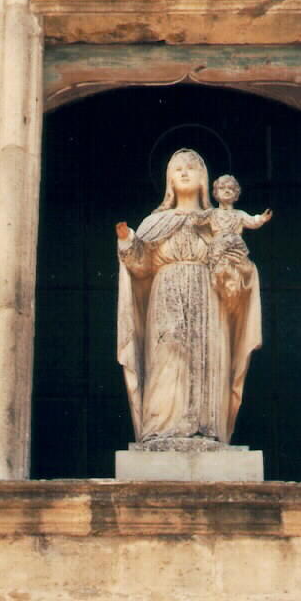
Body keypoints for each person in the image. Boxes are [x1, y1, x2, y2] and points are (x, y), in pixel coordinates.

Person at [116, 148, 261, 445]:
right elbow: (140, 269)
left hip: (208, 297)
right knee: (169, 349)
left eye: (191, 168)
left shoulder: (217, 220)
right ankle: (163, 430)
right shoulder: (154, 223)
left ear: (204, 179)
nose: (184, 172)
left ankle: (207, 429)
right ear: (168, 179)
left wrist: (239, 268)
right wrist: (128, 242)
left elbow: (236, 269)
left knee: (207, 357)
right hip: (166, 295)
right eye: (177, 168)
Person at [201, 173, 272, 302]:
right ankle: (215, 282)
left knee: (236, 266)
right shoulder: (212, 213)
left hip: (235, 244)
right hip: (218, 244)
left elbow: (251, 221)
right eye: (222, 188)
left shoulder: (239, 214)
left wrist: (261, 218)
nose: (227, 190)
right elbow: (198, 220)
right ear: (216, 193)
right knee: (216, 267)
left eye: (231, 188)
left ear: (236, 194)